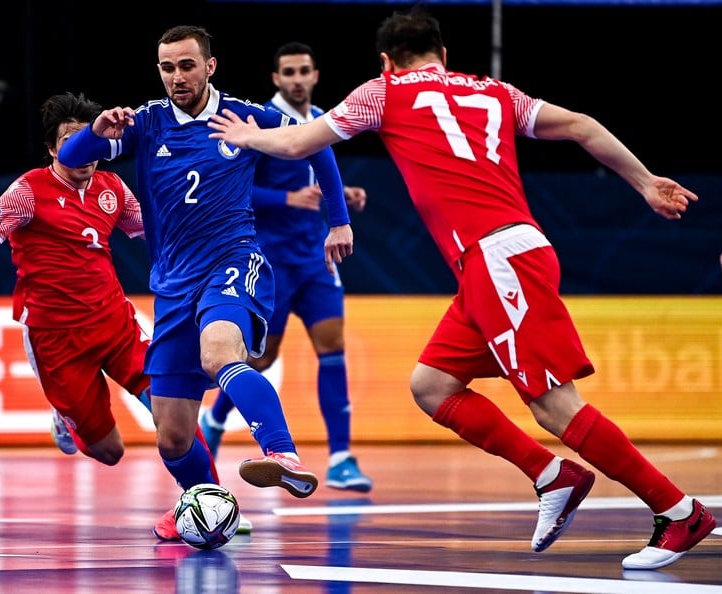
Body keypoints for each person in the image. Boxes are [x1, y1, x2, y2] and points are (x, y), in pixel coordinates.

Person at [207, 7, 714, 571]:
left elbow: (299, 142)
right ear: (444, 55)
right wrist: (645, 181)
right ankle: (552, 475)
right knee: (431, 386)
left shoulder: (384, 91)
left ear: (386, 60)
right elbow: (580, 124)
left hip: (499, 262)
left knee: (554, 406)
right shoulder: (495, 91)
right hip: (500, 260)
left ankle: (678, 510)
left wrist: (248, 136)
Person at [58, 26, 354, 527]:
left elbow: (318, 143)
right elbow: (69, 159)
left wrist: (338, 220)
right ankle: (206, 504)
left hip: (233, 262)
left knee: (218, 353)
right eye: (167, 67)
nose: (177, 76)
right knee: (172, 435)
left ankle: (282, 453)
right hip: (173, 284)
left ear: (209, 66)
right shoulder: (145, 123)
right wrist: (96, 132)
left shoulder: (243, 115)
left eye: (187, 65)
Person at [0, 91, 247, 541]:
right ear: (53, 149)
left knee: (170, 409)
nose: (83, 152)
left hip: (116, 325)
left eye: (88, 140)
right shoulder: (28, 192)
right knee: (110, 451)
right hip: (57, 342)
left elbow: (158, 235)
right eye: (70, 141)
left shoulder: (112, 189)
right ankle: (65, 419)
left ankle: (210, 502)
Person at [199, 41, 373, 492]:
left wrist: (342, 200)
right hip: (268, 261)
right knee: (262, 357)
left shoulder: (319, 120)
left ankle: (341, 458)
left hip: (316, 259)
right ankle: (214, 419)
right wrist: (286, 199)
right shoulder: (258, 120)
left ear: (315, 76)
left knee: (332, 347)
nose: (297, 79)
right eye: (289, 72)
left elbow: (316, 176)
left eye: (304, 71)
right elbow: (236, 187)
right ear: (277, 78)